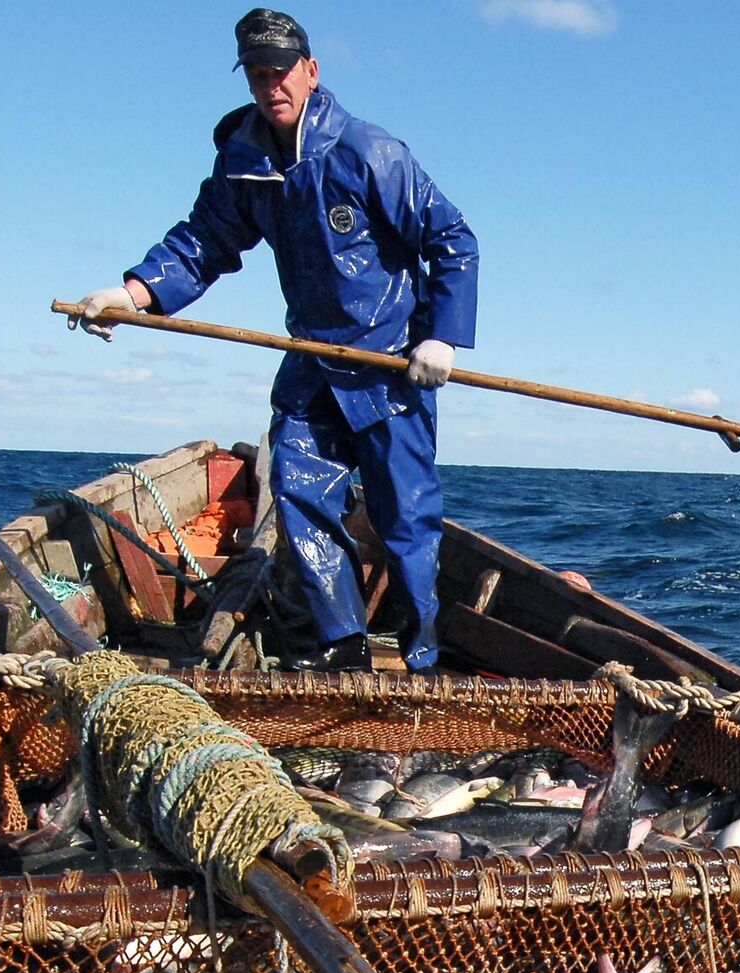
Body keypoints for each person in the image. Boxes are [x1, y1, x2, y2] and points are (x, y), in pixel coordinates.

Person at [73, 8, 477, 672]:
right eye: (258, 76)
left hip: (389, 365)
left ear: (310, 71)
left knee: (405, 522)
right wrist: (135, 294)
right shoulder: (245, 158)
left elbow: (454, 242)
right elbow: (205, 241)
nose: (271, 87)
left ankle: (423, 661)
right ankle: (344, 653)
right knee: (296, 492)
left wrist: (443, 338)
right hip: (313, 361)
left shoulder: (371, 153)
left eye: (281, 72)